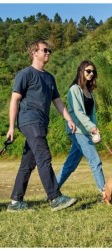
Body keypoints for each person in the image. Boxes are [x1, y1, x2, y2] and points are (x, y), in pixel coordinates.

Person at [6, 39, 77, 212]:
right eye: (45, 50)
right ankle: (55, 198)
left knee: (28, 163)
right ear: (34, 53)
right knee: (44, 156)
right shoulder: (25, 74)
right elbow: (14, 100)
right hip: (29, 120)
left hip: (41, 123)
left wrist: (69, 118)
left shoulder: (49, 77)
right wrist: (11, 127)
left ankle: (15, 202)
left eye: (49, 51)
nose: (48, 53)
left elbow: (58, 102)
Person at [56, 60, 106, 200]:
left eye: (93, 72)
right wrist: (91, 127)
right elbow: (78, 112)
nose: (91, 74)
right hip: (76, 131)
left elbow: (92, 114)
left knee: (70, 165)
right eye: (88, 71)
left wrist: (94, 129)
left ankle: (52, 190)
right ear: (81, 71)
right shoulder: (74, 89)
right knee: (95, 160)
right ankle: (104, 192)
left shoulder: (89, 91)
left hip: (86, 132)